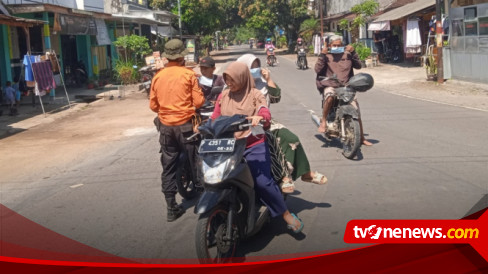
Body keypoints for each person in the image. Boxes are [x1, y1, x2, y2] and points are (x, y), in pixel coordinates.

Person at [211, 61, 304, 233]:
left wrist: (259, 117)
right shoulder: (223, 96)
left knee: (262, 182)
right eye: (227, 80)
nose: (229, 84)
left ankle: (286, 214)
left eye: (232, 80)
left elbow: (264, 110)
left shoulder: (255, 94)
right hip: (228, 145)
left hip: (253, 144)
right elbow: (215, 117)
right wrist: (205, 126)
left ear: (242, 78)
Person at [237, 54, 328, 193]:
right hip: (242, 125)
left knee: (291, 138)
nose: (256, 70)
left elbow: (276, 97)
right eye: (252, 67)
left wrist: (268, 79)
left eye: (257, 66)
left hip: (265, 122)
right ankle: (283, 177)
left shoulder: (262, 83)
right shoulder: (235, 87)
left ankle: (305, 173)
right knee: (270, 144)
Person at [149, 39, 205, 222]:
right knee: (196, 159)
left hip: (166, 127)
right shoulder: (188, 75)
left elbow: (153, 105)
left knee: (168, 166)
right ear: (182, 56)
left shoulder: (158, 76)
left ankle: (171, 207)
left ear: (166, 56)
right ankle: (204, 203)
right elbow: (199, 103)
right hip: (186, 126)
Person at [315, 35, 373, 146]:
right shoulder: (326, 55)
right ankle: (323, 121)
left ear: (342, 45)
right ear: (330, 45)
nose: (337, 47)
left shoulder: (348, 55)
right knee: (330, 96)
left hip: (346, 86)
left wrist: (354, 52)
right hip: (330, 84)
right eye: (334, 45)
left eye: (339, 45)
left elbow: (359, 66)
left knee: (355, 108)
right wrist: (322, 54)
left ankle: (361, 138)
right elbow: (317, 69)